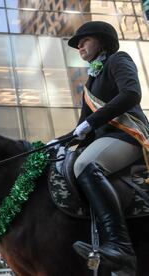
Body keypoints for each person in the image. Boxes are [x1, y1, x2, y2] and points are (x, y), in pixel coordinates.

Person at [58, 21, 149, 273]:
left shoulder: (119, 60)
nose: (79, 46)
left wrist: (91, 123)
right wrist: (59, 141)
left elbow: (131, 93)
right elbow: (81, 127)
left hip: (129, 136)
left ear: (102, 40)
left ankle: (120, 247)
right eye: (77, 44)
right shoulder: (89, 84)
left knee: (86, 165)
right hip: (104, 140)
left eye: (84, 40)